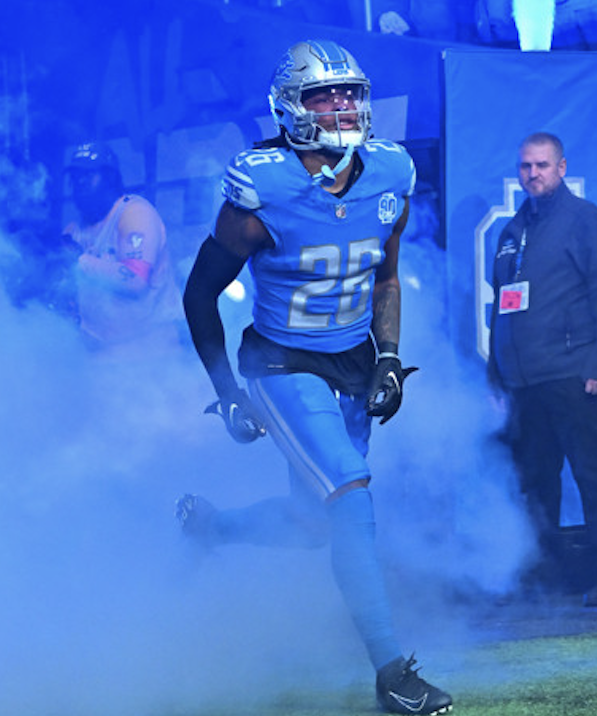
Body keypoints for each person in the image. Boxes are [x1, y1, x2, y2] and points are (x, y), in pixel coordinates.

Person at [176, 39, 451, 715]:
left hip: (351, 357)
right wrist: (228, 393)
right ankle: (393, 675)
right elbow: (199, 294)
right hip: (279, 362)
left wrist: (388, 353)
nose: (345, 106)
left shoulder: (390, 170)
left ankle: (214, 532)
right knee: (352, 498)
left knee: (311, 523)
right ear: (292, 107)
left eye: (352, 93)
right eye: (326, 95)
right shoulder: (260, 184)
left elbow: (385, 277)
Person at [486, 132, 597, 607]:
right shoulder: (513, 229)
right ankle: (547, 571)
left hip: (576, 375)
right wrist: (498, 376)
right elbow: (502, 309)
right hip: (524, 382)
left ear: (562, 167)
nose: (533, 173)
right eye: (526, 166)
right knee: (534, 481)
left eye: (542, 165)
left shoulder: (585, 220)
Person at [62, 141, 181, 350]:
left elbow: (134, 281)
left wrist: (79, 261)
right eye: (75, 176)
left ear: (109, 178)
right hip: (102, 351)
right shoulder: (75, 229)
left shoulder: (134, 213)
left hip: (150, 350)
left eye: (88, 175)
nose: (79, 182)